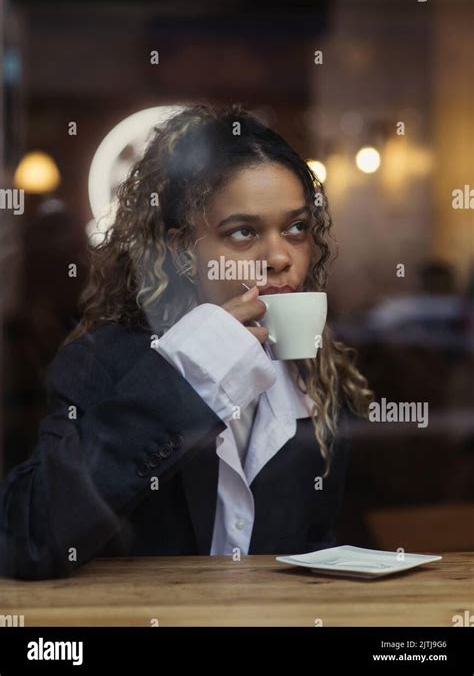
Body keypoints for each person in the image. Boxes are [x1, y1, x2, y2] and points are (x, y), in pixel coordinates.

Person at [0, 103, 372, 580]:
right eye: (243, 232)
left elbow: (315, 545)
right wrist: (190, 373)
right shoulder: (104, 362)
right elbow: (27, 535)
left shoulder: (316, 375)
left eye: (296, 227)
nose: (280, 256)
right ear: (180, 251)